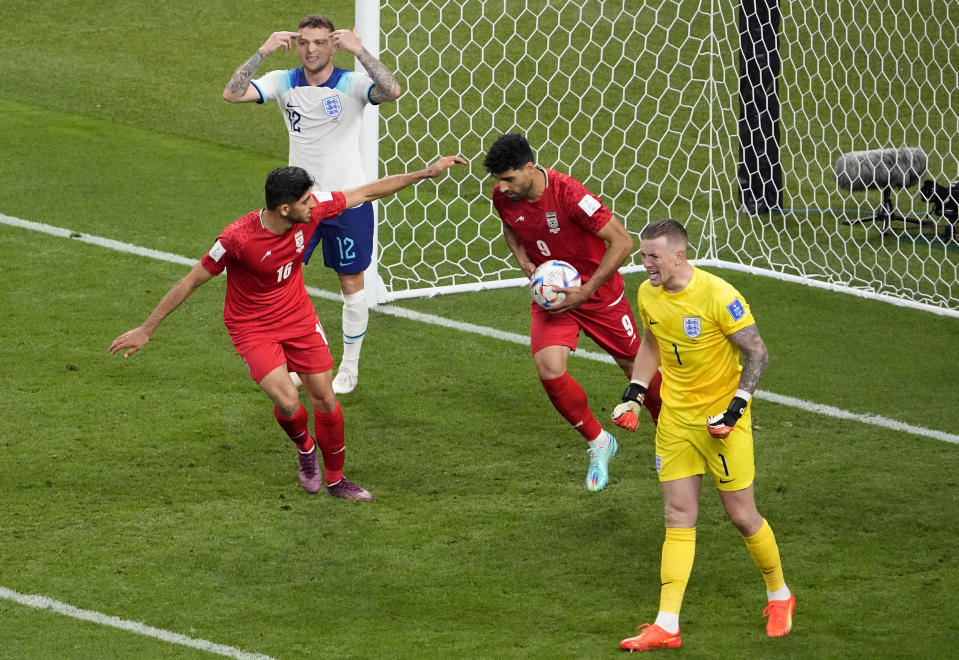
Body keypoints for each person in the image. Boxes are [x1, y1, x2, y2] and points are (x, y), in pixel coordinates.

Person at [109, 156, 466, 500]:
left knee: (325, 399)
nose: (314, 205)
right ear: (284, 209)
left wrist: (426, 173)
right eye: (306, 201)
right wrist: (147, 328)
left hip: (297, 317)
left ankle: (337, 480)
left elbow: (367, 193)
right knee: (287, 399)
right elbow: (191, 281)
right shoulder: (237, 239)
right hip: (251, 327)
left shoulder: (313, 211)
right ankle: (305, 448)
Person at [611, 218, 794, 651]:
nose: (645, 264)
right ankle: (667, 624)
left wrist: (735, 410)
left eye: (653, 256)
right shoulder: (647, 293)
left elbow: (756, 352)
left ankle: (779, 595)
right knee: (677, 515)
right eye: (642, 255)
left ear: (679, 255)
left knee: (742, 516)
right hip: (676, 421)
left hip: (721, 423)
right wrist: (634, 395)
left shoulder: (718, 295)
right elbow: (652, 343)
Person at [222, 14, 404, 395]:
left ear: (333, 45)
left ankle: (349, 368)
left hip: (346, 201)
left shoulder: (351, 84)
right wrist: (263, 51)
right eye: (304, 42)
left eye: (320, 42)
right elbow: (233, 93)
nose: (311, 49)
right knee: (281, 281)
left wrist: (362, 51)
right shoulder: (282, 81)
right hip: (298, 205)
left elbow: (391, 91)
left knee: (351, 282)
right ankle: (290, 360)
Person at [483, 133, 662, 492]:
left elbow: (623, 241)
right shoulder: (504, 197)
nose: (503, 188)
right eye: (499, 181)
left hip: (597, 293)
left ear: (530, 168)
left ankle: (672, 442)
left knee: (635, 368)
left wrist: (588, 289)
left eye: (509, 179)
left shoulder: (570, 195)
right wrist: (521, 258)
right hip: (553, 296)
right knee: (549, 368)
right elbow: (511, 227)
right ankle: (599, 443)